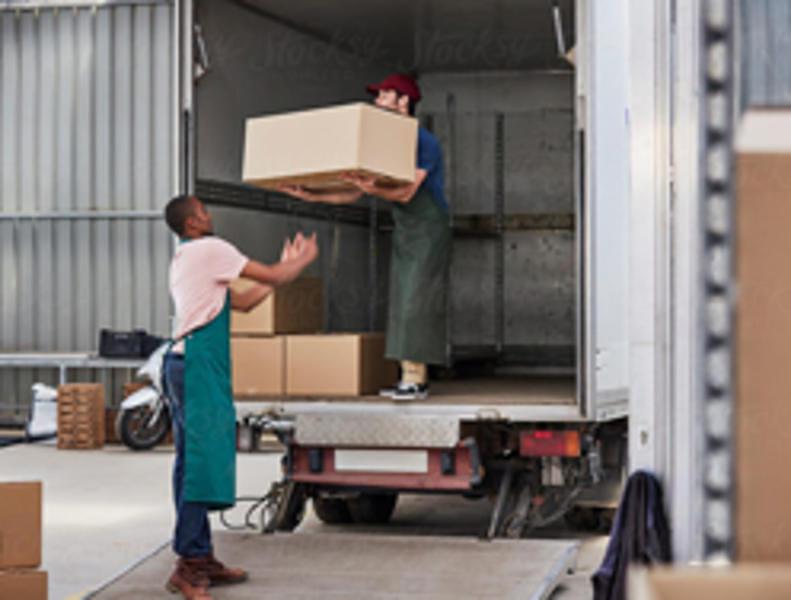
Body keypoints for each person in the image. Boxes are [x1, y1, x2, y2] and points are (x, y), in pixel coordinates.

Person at [161, 194, 318, 600]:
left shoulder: (190, 257)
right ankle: (189, 565)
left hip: (189, 364)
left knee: (196, 462)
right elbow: (272, 276)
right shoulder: (211, 248)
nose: (210, 215)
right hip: (194, 365)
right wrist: (298, 261)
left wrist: (278, 273)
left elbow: (245, 301)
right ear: (193, 223)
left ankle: (199, 553)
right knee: (199, 464)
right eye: (204, 212)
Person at [280, 73, 450, 401]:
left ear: (403, 102)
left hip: (429, 226)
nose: (377, 102)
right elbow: (353, 194)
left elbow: (405, 193)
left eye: (384, 96)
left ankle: (416, 379)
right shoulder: (382, 143)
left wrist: (375, 189)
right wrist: (313, 196)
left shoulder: (423, 141)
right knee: (402, 298)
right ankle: (408, 377)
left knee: (417, 298)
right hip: (407, 229)